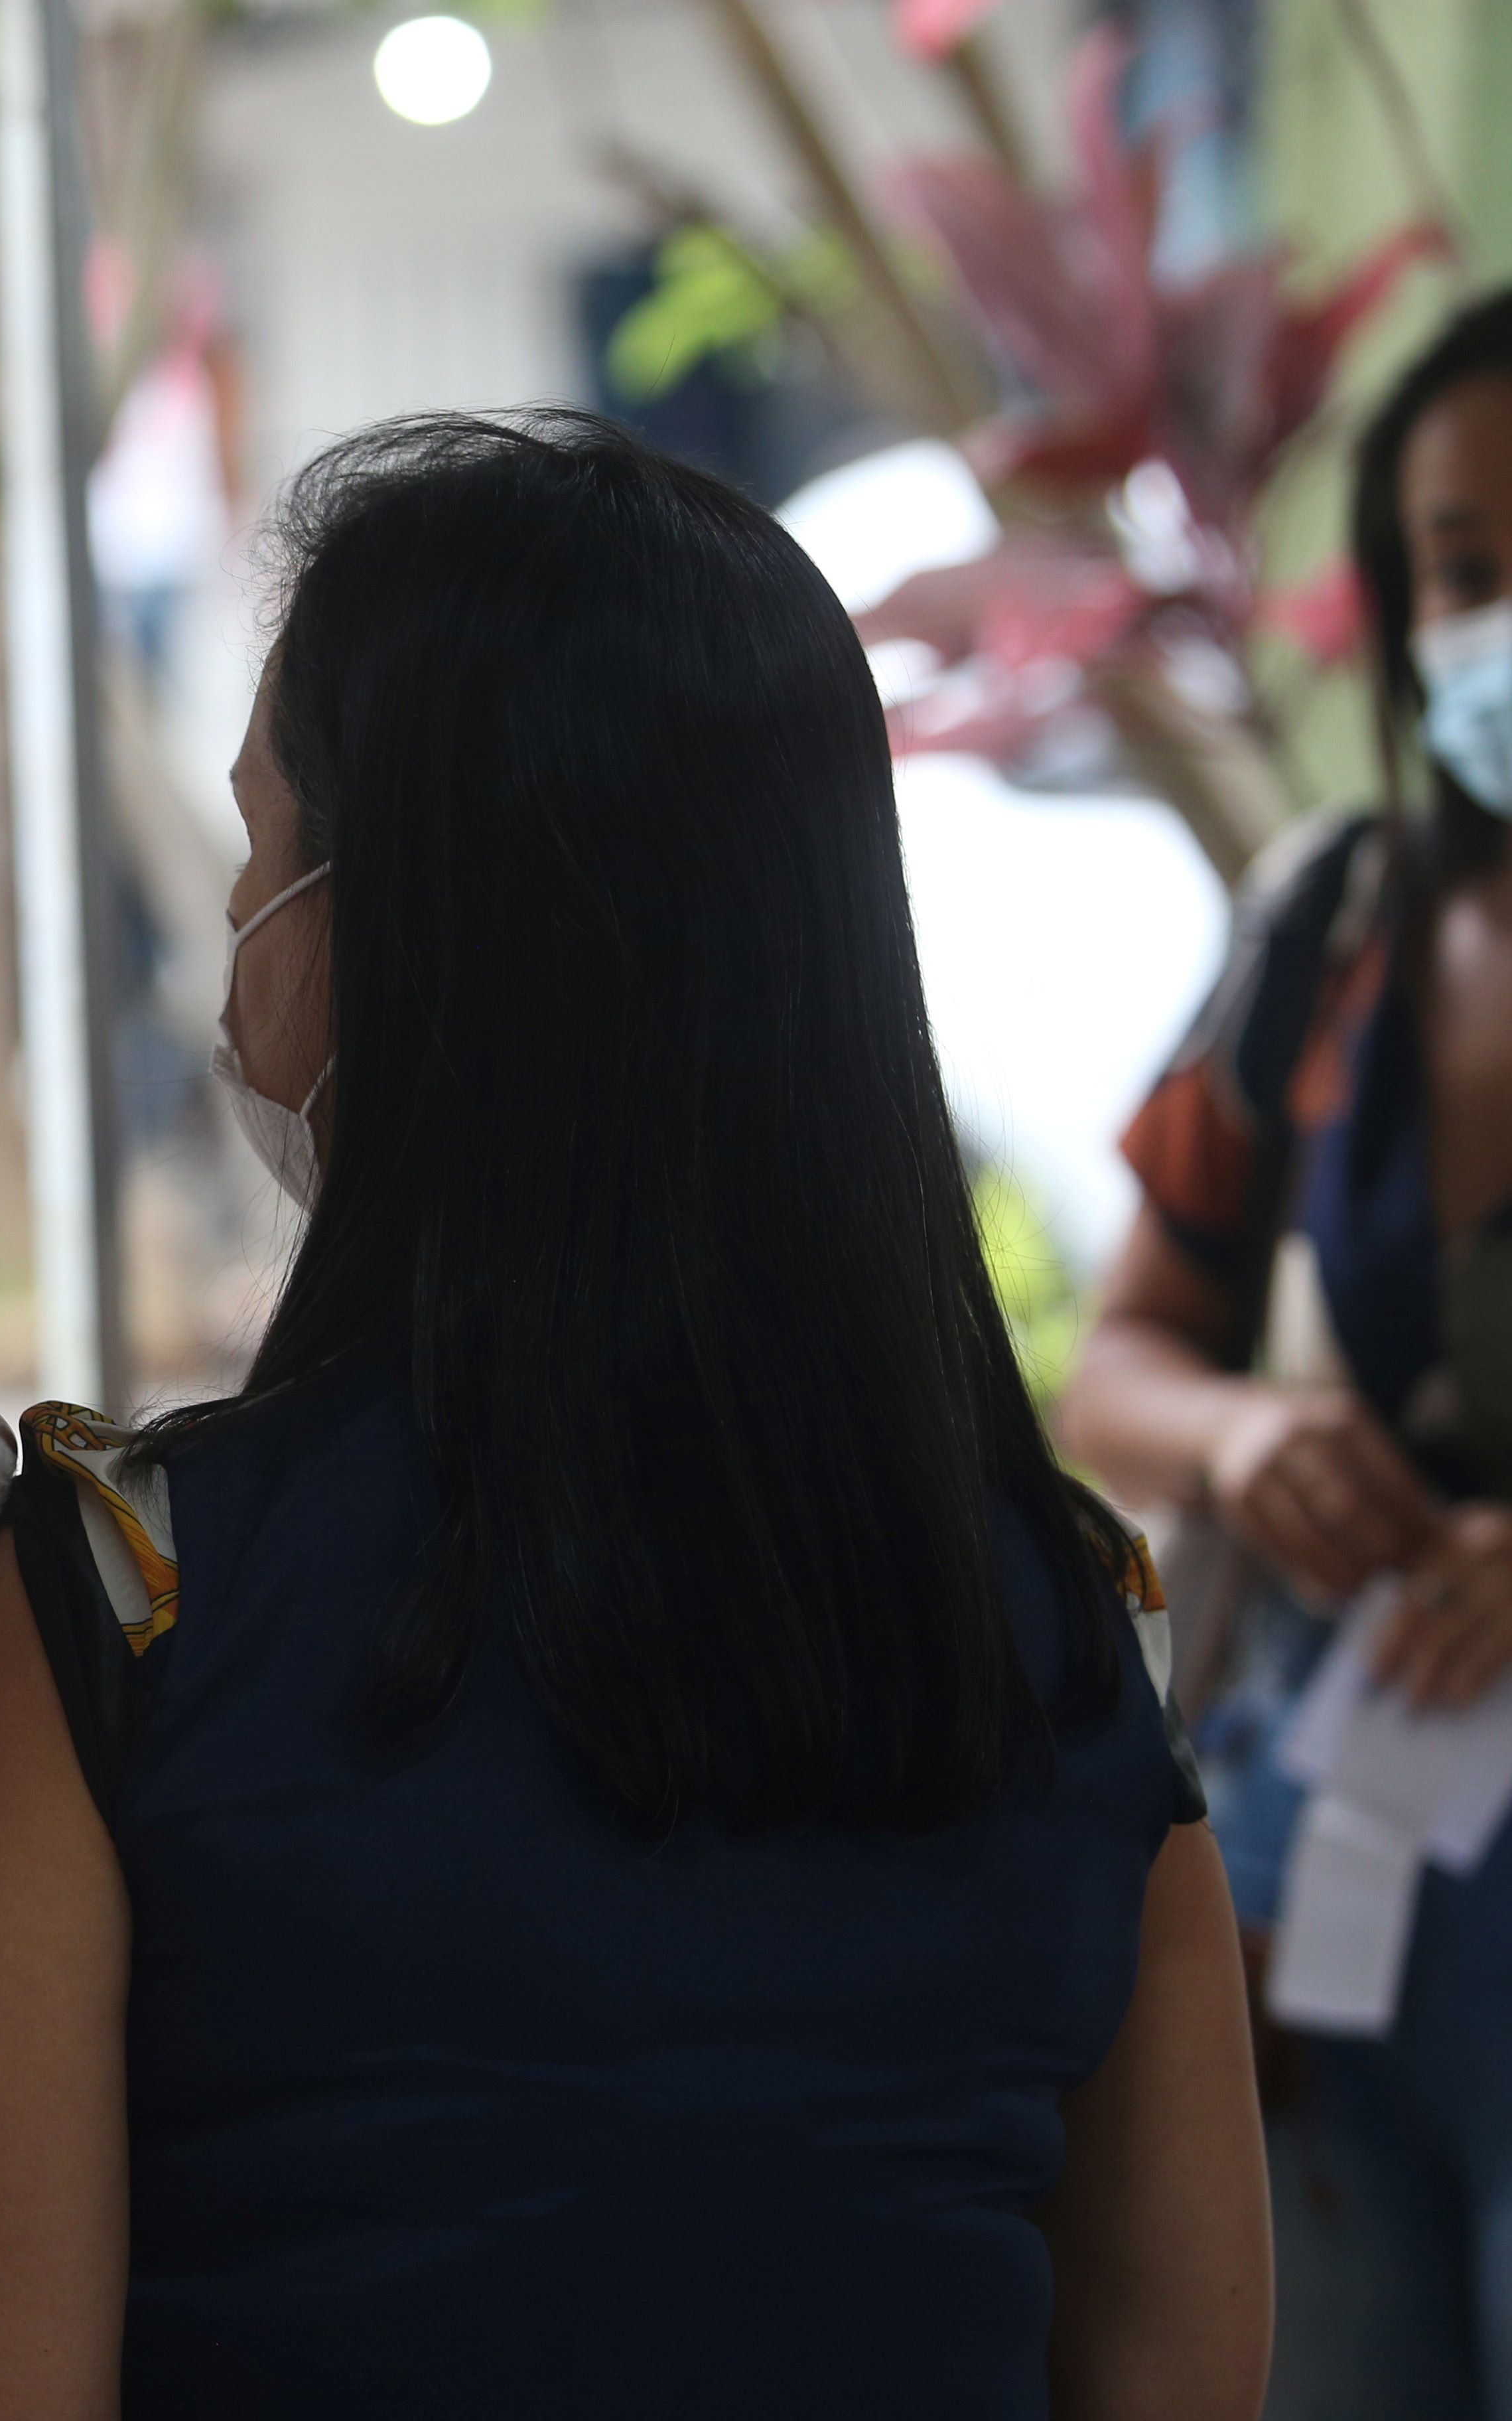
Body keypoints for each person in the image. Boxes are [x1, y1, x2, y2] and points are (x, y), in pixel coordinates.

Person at [0, 411, 1271, 2420]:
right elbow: (1182, 2373)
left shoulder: (94, 1631)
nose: (237, 961)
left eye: (263, 845)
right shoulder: (1064, 1635)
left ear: (403, 924)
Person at [1059, 285, 1512, 2418]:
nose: (1503, 622)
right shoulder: (1335, 932)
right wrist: (1243, 1436)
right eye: (1467, 572)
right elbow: (1115, 1365)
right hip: (1307, 1954)